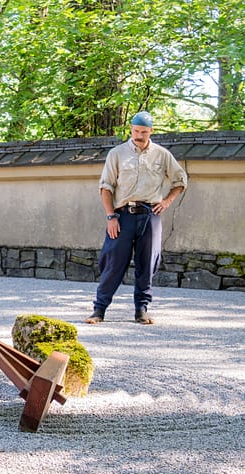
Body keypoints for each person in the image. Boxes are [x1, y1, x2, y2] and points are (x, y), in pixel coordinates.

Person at [86, 111, 187, 325]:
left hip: (150, 215)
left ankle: (141, 310)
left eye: (143, 132)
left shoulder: (162, 155)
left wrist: (166, 202)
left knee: (148, 262)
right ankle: (99, 310)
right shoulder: (117, 153)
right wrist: (110, 216)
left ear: (151, 131)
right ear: (130, 129)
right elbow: (105, 187)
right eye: (135, 131)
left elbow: (180, 180)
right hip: (122, 216)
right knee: (113, 262)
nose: (139, 135)